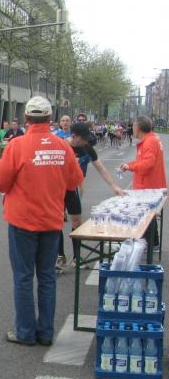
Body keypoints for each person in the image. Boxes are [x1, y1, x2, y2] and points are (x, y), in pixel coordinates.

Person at [0, 97, 83, 346]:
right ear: (50, 119)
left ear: (26, 119)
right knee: (47, 277)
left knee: (23, 277)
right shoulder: (62, 146)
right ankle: (46, 332)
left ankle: (25, 332)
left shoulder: (17, 145)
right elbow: (74, 181)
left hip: (22, 221)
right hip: (51, 220)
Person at [56, 122, 125, 271]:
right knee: (57, 221)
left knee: (76, 221)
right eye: (83, 139)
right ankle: (60, 256)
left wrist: (114, 186)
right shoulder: (60, 145)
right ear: (74, 136)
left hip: (72, 188)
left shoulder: (87, 148)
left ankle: (77, 257)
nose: (85, 142)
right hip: (57, 188)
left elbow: (101, 168)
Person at [120, 116, 167, 246]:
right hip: (149, 185)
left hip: (148, 186)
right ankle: (153, 242)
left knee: (147, 217)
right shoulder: (151, 139)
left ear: (138, 128)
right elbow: (143, 161)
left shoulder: (149, 142)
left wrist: (130, 167)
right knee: (149, 216)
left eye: (134, 125)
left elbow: (148, 164)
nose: (132, 128)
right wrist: (129, 165)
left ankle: (150, 243)